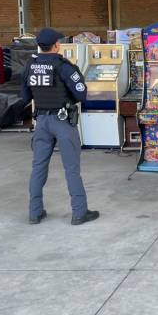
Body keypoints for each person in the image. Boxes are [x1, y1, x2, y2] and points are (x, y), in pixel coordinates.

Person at [21, 28, 99, 226]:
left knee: (38, 167)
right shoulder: (63, 66)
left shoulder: (30, 65)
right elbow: (81, 94)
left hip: (41, 122)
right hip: (62, 121)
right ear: (56, 45)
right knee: (71, 168)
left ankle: (34, 213)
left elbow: (25, 96)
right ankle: (79, 213)